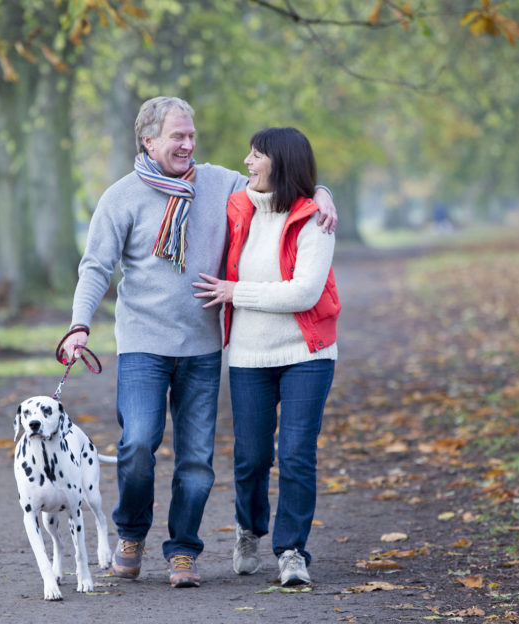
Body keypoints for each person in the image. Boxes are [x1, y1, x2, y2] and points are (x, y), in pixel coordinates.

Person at [61, 97, 337, 589]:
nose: (188, 145)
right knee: (138, 444)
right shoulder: (120, 198)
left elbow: (284, 180)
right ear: (148, 141)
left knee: (195, 461)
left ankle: (183, 549)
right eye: (177, 137)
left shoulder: (220, 182)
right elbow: (96, 267)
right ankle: (131, 534)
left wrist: (323, 191)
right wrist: (80, 325)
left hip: (203, 347)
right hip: (144, 344)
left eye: (191, 136)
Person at [192, 127, 340, 587]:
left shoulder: (316, 220)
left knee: (296, 454)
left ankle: (292, 549)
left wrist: (237, 292)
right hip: (249, 355)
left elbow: (304, 292)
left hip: (306, 353)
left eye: (256, 155)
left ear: (280, 162)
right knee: (252, 457)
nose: (247, 162)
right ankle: (249, 530)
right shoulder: (239, 207)